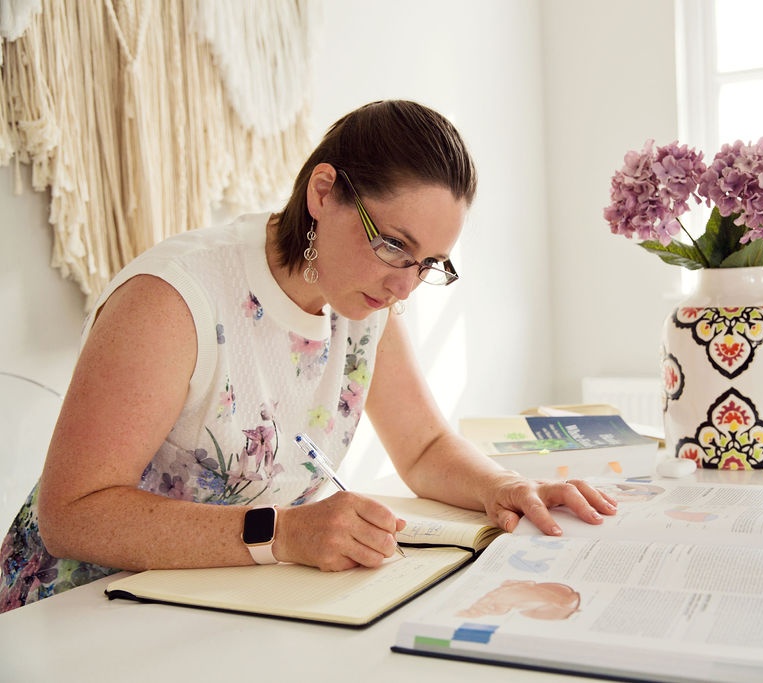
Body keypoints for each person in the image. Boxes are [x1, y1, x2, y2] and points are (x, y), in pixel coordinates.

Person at [0, 100, 617, 612]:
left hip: (218, 601)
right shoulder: (173, 299)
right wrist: (284, 533)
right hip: (77, 612)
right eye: (394, 245)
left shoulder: (365, 303)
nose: (405, 287)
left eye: (428, 263)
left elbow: (424, 447)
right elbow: (72, 515)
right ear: (324, 193)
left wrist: (505, 487)